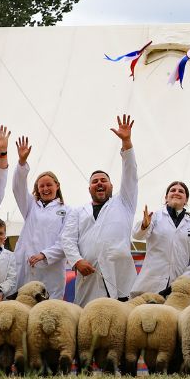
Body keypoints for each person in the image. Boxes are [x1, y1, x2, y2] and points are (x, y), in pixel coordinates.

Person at [61, 115, 139, 305]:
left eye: (103, 180)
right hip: (89, 278)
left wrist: (126, 142)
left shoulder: (124, 203)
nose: (99, 183)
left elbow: (130, 173)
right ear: (89, 189)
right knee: (90, 326)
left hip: (120, 275)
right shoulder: (77, 211)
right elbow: (67, 239)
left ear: (112, 186)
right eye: (95, 182)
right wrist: (77, 261)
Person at [12, 135, 69, 299]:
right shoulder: (30, 206)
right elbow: (18, 188)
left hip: (51, 273)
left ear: (57, 186)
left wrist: (44, 254)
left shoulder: (67, 211)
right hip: (26, 268)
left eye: (49, 185)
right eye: (41, 186)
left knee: (48, 314)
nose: (45, 188)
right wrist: (22, 163)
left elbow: (65, 242)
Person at [131, 180, 190, 296]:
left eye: (181, 191)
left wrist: (185, 279)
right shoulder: (154, 217)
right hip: (150, 285)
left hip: (178, 288)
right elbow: (137, 236)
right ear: (166, 197)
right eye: (173, 190)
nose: (176, 192)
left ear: (186, 200)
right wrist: (144, 225)